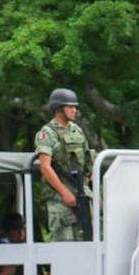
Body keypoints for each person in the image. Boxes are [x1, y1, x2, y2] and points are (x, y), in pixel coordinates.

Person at [35, 87, 94, 242]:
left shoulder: (77, 131)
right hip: (59, 198)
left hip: (81, 192)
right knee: (65, 241)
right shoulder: (48, 132)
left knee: (88, 237)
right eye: (70, 107)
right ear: (59, 108)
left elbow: (88, 162)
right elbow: (45, 166)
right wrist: (64, 192)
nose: (74, 110)